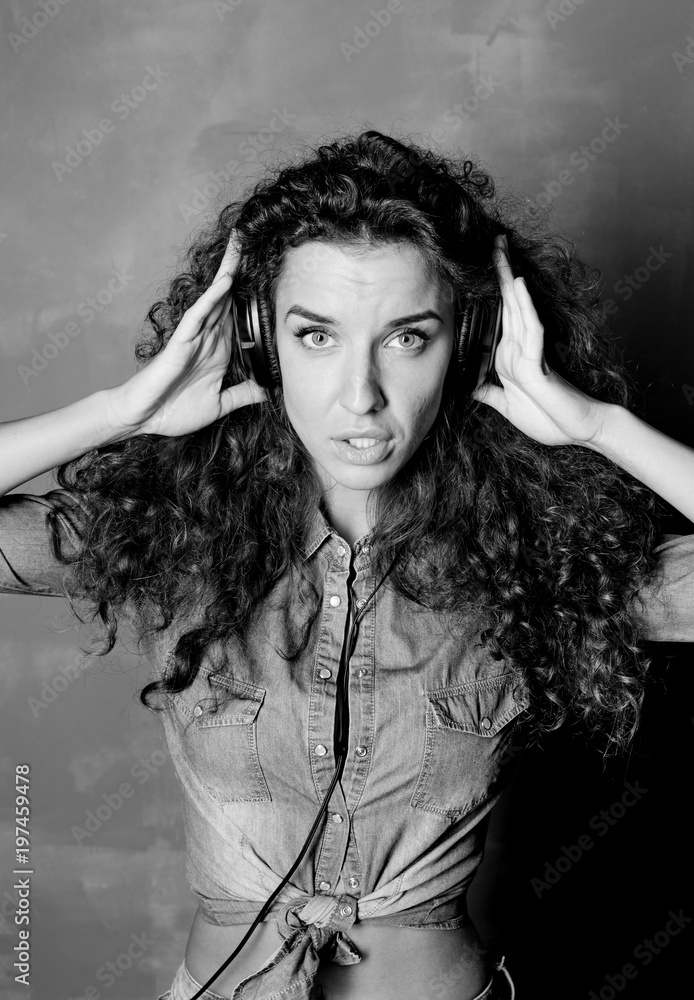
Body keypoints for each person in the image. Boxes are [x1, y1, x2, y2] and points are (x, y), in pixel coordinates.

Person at [1, 129, 693, 1000]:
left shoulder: (539, 556)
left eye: (408, 338)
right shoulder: (173, 532)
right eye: (318, 336)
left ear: (469, 345)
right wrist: (121, 411)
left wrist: (599, 426)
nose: (360, 395)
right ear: (258, 341)